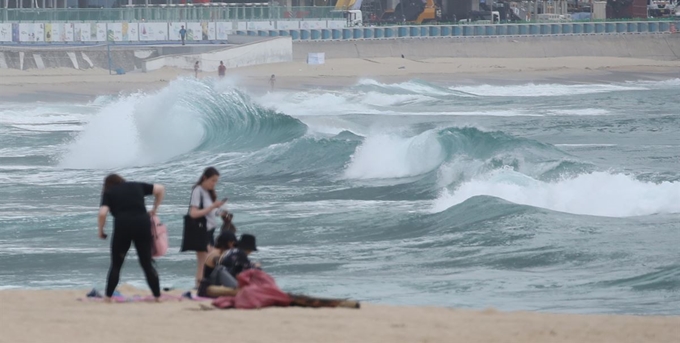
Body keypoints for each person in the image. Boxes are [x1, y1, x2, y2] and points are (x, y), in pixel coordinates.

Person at [97, 174, 166, 303]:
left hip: (123, 226)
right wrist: (154, 209)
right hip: (142, 224)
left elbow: (102, 213)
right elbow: (160, 189)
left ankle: (107, 298)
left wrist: (101, 230)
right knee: (146, 264)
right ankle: (157, 297)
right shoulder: (136, 185)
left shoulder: (109, 192)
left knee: (116, 264)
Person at [188, 167, 226, 287]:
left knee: (206, 260)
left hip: (209, 231)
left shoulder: (208, 193)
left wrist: (219, 211)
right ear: (205, 178)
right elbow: (193, 213)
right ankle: (200, 287)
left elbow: (208, 212)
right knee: (205, 261)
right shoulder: (197, 190)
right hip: (200, 230)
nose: (214, 184)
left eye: (216, 181)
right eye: (213, 180)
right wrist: (212, 207)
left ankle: (203, 286)